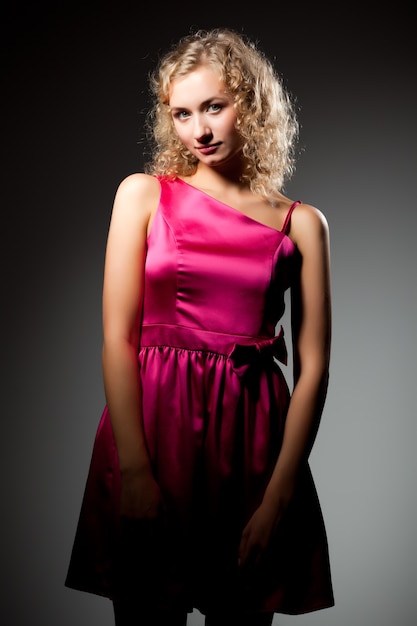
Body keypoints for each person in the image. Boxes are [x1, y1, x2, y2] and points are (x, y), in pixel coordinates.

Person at [65, 27, 334, 626]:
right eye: (182, 114)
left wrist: (280, 494)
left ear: (251, 104)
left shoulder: (302, 225)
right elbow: (117, 338)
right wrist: (133, 469)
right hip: (152, 436)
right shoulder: (141, 196)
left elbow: (313, 367)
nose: (200, 130)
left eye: (214, 106)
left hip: (252, 450)